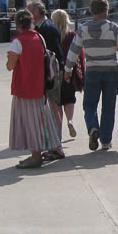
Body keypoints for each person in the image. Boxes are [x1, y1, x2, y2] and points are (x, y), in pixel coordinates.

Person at [62, 0, 118, 152]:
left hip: (92, 72)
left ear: (91, 11)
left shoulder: (83, 28)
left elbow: (73, 51)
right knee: (108, 107)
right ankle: (105, 141)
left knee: (89, 105)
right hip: (110, 72)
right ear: (106, 10)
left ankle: (92, 127)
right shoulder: (112, 27)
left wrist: (68, 70)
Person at [6, 9, 65, 168]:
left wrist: (9, 58)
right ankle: (46, 150)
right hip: (39, 86)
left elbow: (10, 66)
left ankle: (35, 156)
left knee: (29, 122)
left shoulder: (18, 41)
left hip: (24, 87)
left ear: (18, 25)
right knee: (39, 121)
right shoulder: (39, 37)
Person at [27, 0, 64, 160]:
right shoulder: (43, 27)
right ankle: (55, 145)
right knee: (53, 108)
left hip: (52, 73)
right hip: (52, 71)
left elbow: (51, 54)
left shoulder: (46, 28)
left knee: (54, 107)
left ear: (36, 12)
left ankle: (57, 147)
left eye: (29, 11)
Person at [52, 8, 85, 138]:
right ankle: (70, 121)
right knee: (69, 98)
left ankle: (58, 129)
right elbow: (79, 53)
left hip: (55, 71)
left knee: (57, 101)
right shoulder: (71, 35)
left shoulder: (52, 35)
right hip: (69, 71)